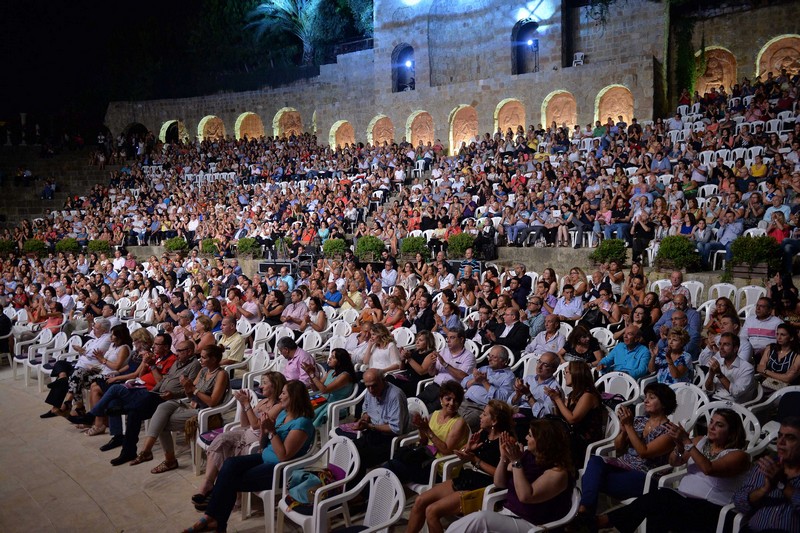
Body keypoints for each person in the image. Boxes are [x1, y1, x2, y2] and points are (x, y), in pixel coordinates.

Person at [181, 380, 315, 533]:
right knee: (230, 464)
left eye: (284, 393)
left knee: (230, 481)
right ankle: (213, 520)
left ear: (295, 397)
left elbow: (284, 456)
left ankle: (212, 520)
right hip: (265, 457)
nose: (280, 396)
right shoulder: (284, 414)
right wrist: (265, 431)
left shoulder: (302, 423)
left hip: (280, 470)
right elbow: (265, 444)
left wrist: (271, 432)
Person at [599, 409, 751, 533]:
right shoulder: (699, 441)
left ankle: (607, 521)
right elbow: (674, 461)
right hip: (683, 501)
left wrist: (686, 442)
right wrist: (679, 447)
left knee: (663, 497)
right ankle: (609, 521)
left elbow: (708, 469)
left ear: (732, 432)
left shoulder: (738, 456)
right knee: (658, 509)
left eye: (719, 425)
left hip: (713, 510)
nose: (711, 427)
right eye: (711, 422)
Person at [444, 419, 575, 533]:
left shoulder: (558, 472)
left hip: (532, 523)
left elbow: (525, 496)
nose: (526, 438)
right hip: (509, 513)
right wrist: (503, 458)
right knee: (467, 525)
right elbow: (499, 483)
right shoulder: (529, 456)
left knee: (479, 520)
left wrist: (516, 462)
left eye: (530, 435)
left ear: (542, 441)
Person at [405, 400, 514, 533]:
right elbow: (463, 452)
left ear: (494, 421)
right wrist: (467, 449)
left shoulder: (507, 441)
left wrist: (475, 459)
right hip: (469, 477)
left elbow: (502, 477)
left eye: (484, 414)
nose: (480, 416)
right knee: (420, 501)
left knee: (432, 511)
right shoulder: (483, 433)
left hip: (484, 486)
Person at [577, 383, 676, 522]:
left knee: (592, 479)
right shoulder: (639, 420)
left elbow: (644, 452)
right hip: (623, 466)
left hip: (645, 476)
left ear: (664, 403)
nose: (646, 401)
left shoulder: (669, 431)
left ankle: (585, 515)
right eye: (646, 397)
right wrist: (624, 430)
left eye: (652, 397)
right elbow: (618, 447)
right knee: (595, 460)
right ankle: (585, 512)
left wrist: (629, 426)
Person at [192, 372, 287, 508]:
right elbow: (245, 424)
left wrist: (247, 404)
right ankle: (208, 483)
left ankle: (224, 491)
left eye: (265, 383)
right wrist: (243, 406)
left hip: (257, 441)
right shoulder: (263, 402)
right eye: (261, 382)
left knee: (233, 452)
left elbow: (256, 425)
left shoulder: (278, 407)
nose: (261, 386)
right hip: (245, 433)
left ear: (275, 386)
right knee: (221, 440)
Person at [130, 344, 230, 473]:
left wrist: (193, 389)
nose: (201, 360)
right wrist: (187, 387)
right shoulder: (204, 371)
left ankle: (168, 460)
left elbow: (212, 402)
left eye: (204, 358)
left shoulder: (221, 374)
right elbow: (190, 393)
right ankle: (147, 450)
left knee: (162, 423)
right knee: (163, 406)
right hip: (191, 404)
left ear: (214, 359)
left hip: (205, 411)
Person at [383, 380, 469, 485]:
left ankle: (369, 493)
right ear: (441, 399)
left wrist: (427, 430)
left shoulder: (459, 422)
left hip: (439, 468)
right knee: (394, 464)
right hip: (425, 459)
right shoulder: (435, 414)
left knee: (393, 468)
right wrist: (421, 428)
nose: (451, 403)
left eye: (455, 401)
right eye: (448, 399)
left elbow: (446, 450)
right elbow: (423, 442)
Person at [336, 369, 409, 480]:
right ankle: (342, 484)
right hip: (373, 433)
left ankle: (356, 492)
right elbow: (367, 411)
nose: (371, 390)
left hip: (390, 440)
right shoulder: (370, 392)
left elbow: (395, 429)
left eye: (374, 386)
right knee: (347, 448)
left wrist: (370, 426)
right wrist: (364, 419)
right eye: (368, 386)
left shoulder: (395, 396)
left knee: (359, 456)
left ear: (383, 381)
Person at [545, 361, 605, 468]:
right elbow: (562, 417)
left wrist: (558, 399)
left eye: (567, 372)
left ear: (577, 374)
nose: (565, 375)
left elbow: (572, 419)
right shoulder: (573, 394)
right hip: (572, 433)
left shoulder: (588, 395)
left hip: (584, 439)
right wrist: (555, 402)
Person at [459, 345, 516, 431]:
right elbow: (463, 382)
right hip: (463, 401)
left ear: (503, 361)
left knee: (459, 425)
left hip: (480, 409)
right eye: (489, 356)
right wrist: (475, 380)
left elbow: (502, 399)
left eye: (494, 357)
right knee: (438, 417)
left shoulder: (509, 377)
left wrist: (484, 382)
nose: (489, 359)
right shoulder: (485, 368)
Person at [508, 351, 561, 438]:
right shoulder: (529, 379)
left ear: (554, 369)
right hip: (516, 411)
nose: (539, 367)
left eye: (545, 365)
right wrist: (518, 395)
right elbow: (509, 403)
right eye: (539, 362)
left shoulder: (553, 389)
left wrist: (528, 395)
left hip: (532, 418)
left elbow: (544, 415)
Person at [303, 347, 356, 427]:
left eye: (333, 357)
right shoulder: (331, 372)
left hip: (334, 405)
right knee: (300, 406)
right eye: (331, 356)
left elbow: (324, 390)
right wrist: (310, 375)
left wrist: (312, 375)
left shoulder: (345, 376)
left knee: (306, 412)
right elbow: (316, 389)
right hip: (322, 400)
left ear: (340, 361)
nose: (330, 358)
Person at [705, 332, 756, 402]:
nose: (721, 348)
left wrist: (720, 374)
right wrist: (711, 375)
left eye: (726, 344)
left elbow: (736, 393)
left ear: (735, 349)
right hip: (714, 399)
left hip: (733, 406)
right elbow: (708, 390)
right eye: (720, 344)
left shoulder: (747, 368)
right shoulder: (718, 362)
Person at [388, 330, 437, 397]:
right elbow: (402, 368)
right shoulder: (415, 352)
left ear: (428, 342)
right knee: (388, 378)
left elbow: (421, 371)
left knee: (392, 384)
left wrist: (409, 358)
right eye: (416, 339)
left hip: (416, 382)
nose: (417, 342)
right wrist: (402, 359)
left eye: (420, 340)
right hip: (406, 377)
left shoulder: (431, 355)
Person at [756, 322, 800, 390]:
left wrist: (766, 371)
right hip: (766, 384)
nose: (779, 337)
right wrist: (780, 377)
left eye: (783, 335)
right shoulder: (770, 348)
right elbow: (760, 369)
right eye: (777, 334)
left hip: (786, 390)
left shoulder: (797, 355)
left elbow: (787, 378)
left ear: (791, 338)